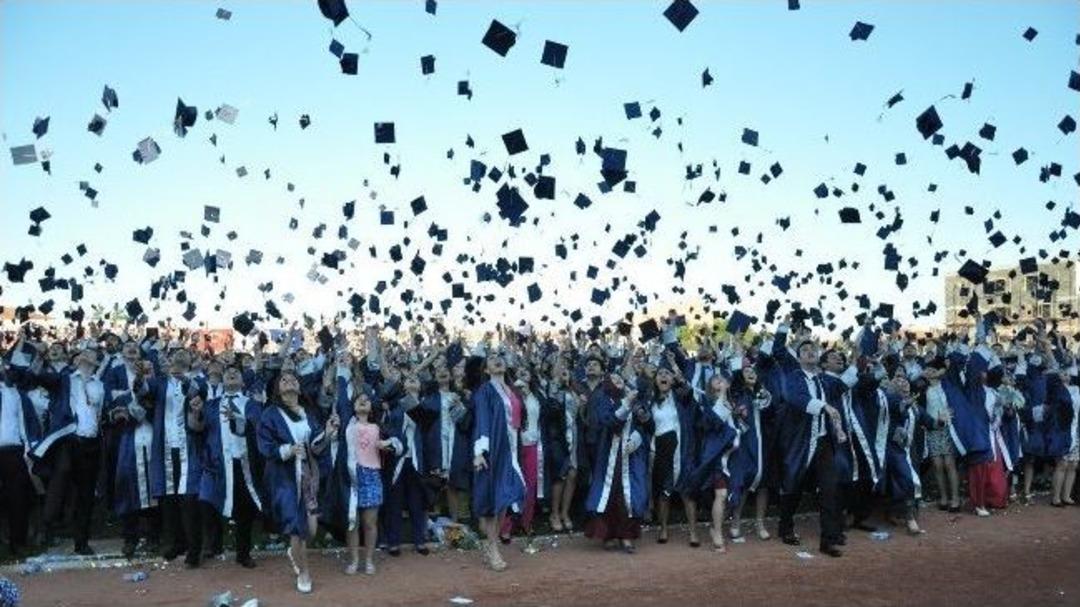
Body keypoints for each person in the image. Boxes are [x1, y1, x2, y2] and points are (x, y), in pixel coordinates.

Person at [257, 371, 338, 593]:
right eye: (283, 379)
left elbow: (315, 445)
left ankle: (294, 553)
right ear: (277, 389)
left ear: (300, 388)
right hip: (284, 477)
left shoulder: (307, 413)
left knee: (310, 529)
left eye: (293, 379)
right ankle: (304, 573)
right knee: (297, 528)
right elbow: (264, 445)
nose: (289, 381)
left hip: (308, 476)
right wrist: (288, 450)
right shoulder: (270, 414)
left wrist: (328, 433)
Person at [773, 324, 846, 557]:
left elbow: (848, 383)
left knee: (830, 488)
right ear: (798, 357)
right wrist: (825, 406)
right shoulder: (793, 377)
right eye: (804, 351)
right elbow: (796, 398)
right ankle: (785, 526)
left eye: (813, 350)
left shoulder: (826, 380)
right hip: (800, 441)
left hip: (824, 441)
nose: (810, 352)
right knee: (792, 486)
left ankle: (829, 539)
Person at [198, 366, 264, 568]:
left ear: (243, 383)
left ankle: (243, 553)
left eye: (236, 373)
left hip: (242, 462)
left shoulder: (252, 405)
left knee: (244, 510)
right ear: (222, 381)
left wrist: (239, 420)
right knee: (208, 502)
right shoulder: (210, 405)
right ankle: (212, 544)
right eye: (227, 373)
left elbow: (258, 429)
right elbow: (200, 429)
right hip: (215, 463)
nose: (231, 373)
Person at [146, 348, 206, 567]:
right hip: (165, 446)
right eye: (175, 355)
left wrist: (186, 381)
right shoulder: (160, 383)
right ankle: (177, 542)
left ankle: (194, 548)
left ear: (190, 360)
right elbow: (144, 391)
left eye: (184, 354)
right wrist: (140, 379)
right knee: (169, 499)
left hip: (189, 448)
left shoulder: (199, 381)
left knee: (189, 499)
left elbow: (198, 397)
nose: (179, 358)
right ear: (169, 360)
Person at [583, 370, 650, 554]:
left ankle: (627, 535)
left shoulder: (633, 396)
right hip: (609, 456)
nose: (618, 379)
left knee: (632, 493)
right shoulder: (602, 399)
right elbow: (608, 422)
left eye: (620, 376)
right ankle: (609, 534)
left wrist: (638, 436)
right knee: (610, 494)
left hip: (632, 455)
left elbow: (646, 423)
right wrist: (626, 403)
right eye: (612, 377)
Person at [471, 351, 526, 571]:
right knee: (496, 500)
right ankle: (492, 548)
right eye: (491, 359)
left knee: (506, 497)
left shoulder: (512, 391)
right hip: (495, 449)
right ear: (486, 370)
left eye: (500, 356)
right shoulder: (485, 391)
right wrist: (479, 452)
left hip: (512, 448)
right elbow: (482, 421)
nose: (497, 359)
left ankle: (490, 544)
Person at [679, 373, 740, 552]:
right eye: (716, 379)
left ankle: (716, 527)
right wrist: (721, 397)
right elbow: (712, 422)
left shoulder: (733, 404)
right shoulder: (704, 402)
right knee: (720, 494)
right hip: (713, 457)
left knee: (730, 495)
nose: (720, 382)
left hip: (733, 456)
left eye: (723, 380)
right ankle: (718, 533)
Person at [646, 360, 700, 547]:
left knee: (687, 492)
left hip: (682, 449)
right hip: (660, 450)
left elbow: (689, 391)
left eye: (667, 374)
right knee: (664, 493)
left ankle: (693, 532)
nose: (663, 376)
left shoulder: (680, 397)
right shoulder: (650, 400)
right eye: (659, 373)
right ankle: (663, 529)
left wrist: (678, 374)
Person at [0, 355, 42, 559]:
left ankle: (18, 542)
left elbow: (24, 371)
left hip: (12, 450)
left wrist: (29, 448)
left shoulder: (15, 392)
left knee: (17, 498)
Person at [344, 391, 390, 575]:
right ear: (353, 406)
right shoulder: (346, 426)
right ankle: (354, 560)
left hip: (372, 475)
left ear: (372, 407)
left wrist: (386, 444)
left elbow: (396, 444)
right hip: (351, 475)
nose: (363, 401)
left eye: (367, 399)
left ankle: (369, 560)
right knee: (352, 522)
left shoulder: (379, 427)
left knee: (370, 522)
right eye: (359, 399)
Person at [500, 368, 545, 540]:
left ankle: (526, 523)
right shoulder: (509, 395)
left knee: (530, 486)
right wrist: (518, 395)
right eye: (518, 373)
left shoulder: (538, 395)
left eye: (525, 372)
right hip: (514, 447)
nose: (522, 375)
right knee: (512, 485)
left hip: (533, 446)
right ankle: (506, 526)